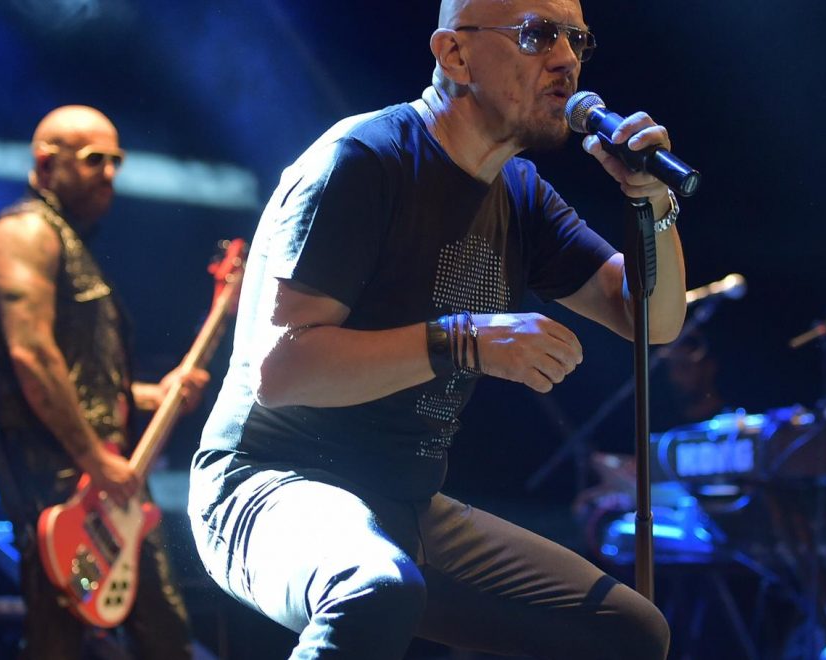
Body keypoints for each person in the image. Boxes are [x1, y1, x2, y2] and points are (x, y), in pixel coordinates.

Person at [186, 0, 686, 657]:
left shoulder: (521, 194)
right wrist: (463, 340)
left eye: (577, 40)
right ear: (454, 54)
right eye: (538, 35)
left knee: (629, 631)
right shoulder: (365, 159)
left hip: (405, 500)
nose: (566, 59)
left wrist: (653, 202)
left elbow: (654, 319)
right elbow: (281, 372)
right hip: (266, 484)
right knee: (373, 588)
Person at [0, 105, 209, 659]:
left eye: (115, 161)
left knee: (164, 636)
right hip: (59, 479)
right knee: (58, 640)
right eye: (93, 160)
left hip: (107, 480)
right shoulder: (25, 234)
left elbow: (84, 383)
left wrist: (151, 397)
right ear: (45, 162)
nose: (109, 173)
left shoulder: (70, 244)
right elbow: (32, 356)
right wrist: (93, 458)